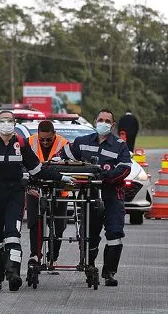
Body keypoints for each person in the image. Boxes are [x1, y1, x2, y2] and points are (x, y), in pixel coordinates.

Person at [0, 111, 73, 291]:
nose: (6, 124)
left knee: (13, 235)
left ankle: (13, 274)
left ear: (14, 123)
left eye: (10, 121)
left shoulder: (21, 144)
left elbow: (37, 170)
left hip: (14, 197)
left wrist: (61, 177)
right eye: (3, 121)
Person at [61, 109, 132, 286]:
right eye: (101, 120)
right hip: (89, 196)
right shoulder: (82, 142)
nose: (104, 123)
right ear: (95, 121)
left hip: (112, 196)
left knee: (115, 232)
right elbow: (63, 157)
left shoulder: (120, 145)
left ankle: (109, 273)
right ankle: (89, 266)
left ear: (113, 125)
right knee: (90, 234)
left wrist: (103, 177)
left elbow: (125, 169)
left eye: (108, 121)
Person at [26, 120, 69, 269]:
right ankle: (35, 255)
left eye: (48, 139)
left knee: (58, 226)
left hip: (58, 190)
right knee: (34, 223)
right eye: (41, 139)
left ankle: (53, 256)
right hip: (35, 189)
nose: (44, 142)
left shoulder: (64, 144)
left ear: (54, 135)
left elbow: (70, 165)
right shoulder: (30, 142)